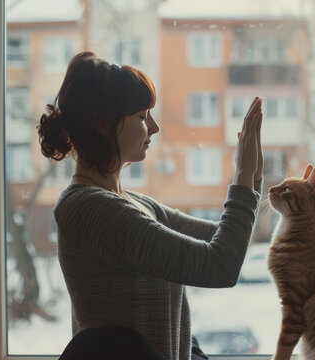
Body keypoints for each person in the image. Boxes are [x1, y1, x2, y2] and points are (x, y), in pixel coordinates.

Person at [37, 51, 264, 360]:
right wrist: (242, 177)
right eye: (142, 116)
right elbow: (221, 266)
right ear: (104, 125)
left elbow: (227, 242)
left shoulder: (132, 203)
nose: (154, 127)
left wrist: (252, 176)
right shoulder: (90, 210)